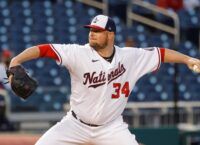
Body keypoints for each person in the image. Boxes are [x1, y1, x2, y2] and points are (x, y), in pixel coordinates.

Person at [8, 15, 200, 145]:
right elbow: (43, 49)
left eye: (97, 30)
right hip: (75, 124)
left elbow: (161, 53)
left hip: (111, 128)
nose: (92, 33)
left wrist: (188, 59)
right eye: (91, 29)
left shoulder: (130, 57)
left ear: (110, 34)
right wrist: (16, 60)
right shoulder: (77, 53)